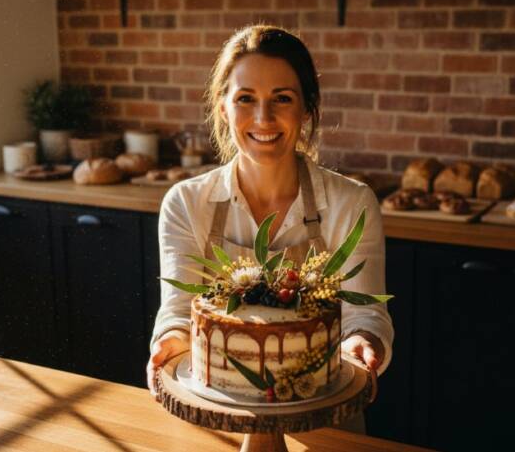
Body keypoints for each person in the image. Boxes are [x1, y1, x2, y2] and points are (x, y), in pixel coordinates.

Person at [145, 25, 394, 430]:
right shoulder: (186, 203)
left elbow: (365, 315)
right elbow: (176, 312)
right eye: (245, 98)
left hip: (325, 422)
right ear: (223, 108)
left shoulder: (352, 203)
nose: (264, 117)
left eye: (282, 98)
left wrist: (361, 344)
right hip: (218, 420)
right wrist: (168, 344)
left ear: (307, 108)